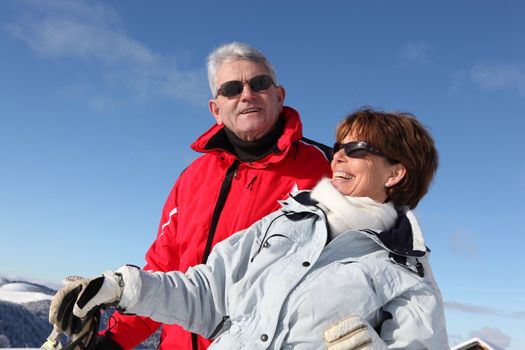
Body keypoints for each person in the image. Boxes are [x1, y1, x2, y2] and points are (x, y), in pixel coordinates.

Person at [49, 108, 448, 349]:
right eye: (339, 145)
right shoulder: (286, 221)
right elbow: (206, 293)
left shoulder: (406, 273)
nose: (339, 156)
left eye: (357, 149)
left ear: (396, 172)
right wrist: (122, 288)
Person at [91, 42, 331, 350]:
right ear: (216, 110)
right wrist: (112, 341)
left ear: (279, 95)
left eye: (259, 83)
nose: (247, 95)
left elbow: (376, 262)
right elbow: (163, 272)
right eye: (231, 89)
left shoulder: (329, 171)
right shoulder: (191, 180)